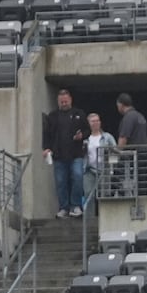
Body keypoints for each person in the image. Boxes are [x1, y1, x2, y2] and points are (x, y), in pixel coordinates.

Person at [45, 86, 91, 216]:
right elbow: (47, 134)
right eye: (61, 102)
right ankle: (63, 207)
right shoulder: (52, 116)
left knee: (77, 177)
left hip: (76, 154)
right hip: (59, 155)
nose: (64, 104)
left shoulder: (79, 114)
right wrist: (46, 148)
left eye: (66, 101)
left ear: (70, 100)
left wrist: (81, 135)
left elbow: (87, 130)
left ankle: (75, 205)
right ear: (58, 101)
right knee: (60, 182)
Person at [115, 93, 147, 196]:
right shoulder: (140, 116)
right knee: (141, 183)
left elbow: (123, 138)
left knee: (126, 181)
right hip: (144, 153)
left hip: (132, 156)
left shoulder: (128, 117)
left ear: (121, 105)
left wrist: (117, 153)